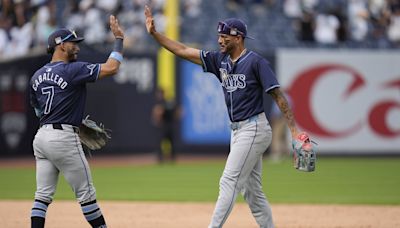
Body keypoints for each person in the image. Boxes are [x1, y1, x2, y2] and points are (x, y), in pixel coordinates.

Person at [145, 5, 300, 228]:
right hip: (237, 131)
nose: (219, 40)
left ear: (239, 38)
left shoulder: (256, 62)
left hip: (254, 127)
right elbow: (182, 50)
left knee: (229, 181)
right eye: (219, 36)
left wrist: (294, 131)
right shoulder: (221, 61)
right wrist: (155, 34)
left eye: (224, 36)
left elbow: (278, 96)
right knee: (252, 192)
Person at [29, 15, 124, 228]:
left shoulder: (36, 76)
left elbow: (38, 110)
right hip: (62, 138)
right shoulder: (72, 69)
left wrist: (61, 117)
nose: (77, 47)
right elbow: (112, 68)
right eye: (73, 43)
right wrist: (119, 40)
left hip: (41, 137)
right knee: (86, 195)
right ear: (60, 45)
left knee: (42, 196)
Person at [151, 87, 180, 163]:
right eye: (158, 93)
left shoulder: (167, 102)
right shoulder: (162, 103)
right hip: (164, 125)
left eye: (160, 93)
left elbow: (178, 112)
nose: (159, 95)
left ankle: (172, 159)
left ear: (163, 94)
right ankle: (160, 158)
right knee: (161, 142)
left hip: (168, 125)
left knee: (170, 142)